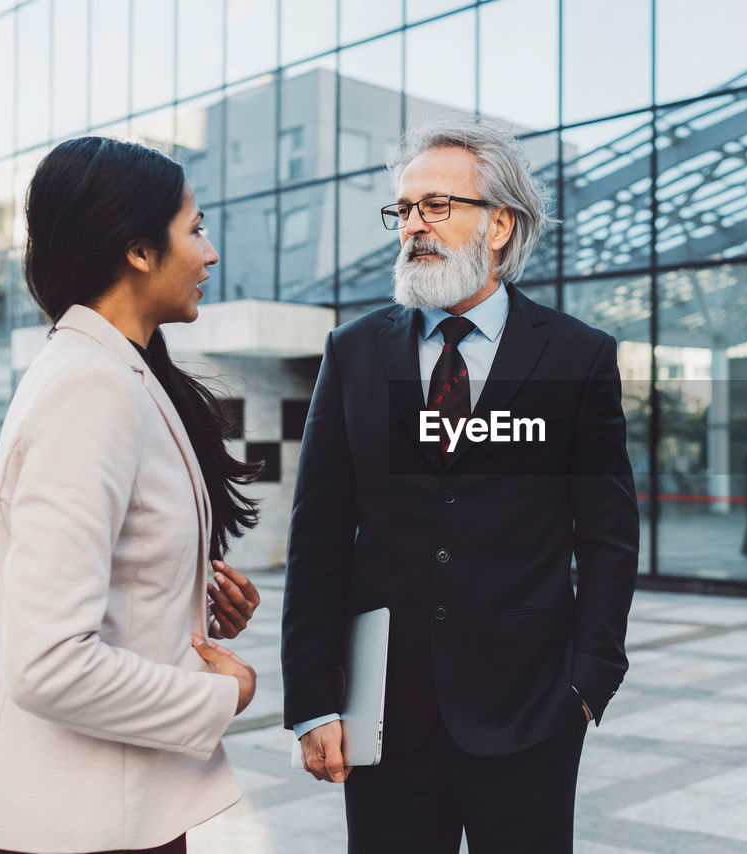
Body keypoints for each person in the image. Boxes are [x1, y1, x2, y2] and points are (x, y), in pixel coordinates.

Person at [282, 118, 640, 853]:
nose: (414, 225)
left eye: (436, 206)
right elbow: (317, 535)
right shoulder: (352, 353)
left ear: (500, 225)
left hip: (532, 713)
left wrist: (589, 681)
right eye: (405, 210)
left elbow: (606, 532)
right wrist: (313, 702)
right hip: (382, 712)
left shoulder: (578, 356)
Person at [0, 137, 264, 854]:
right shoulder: (89, 388)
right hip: (73, 821)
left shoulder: (118, 373)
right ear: (139, 251)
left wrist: (187, 595)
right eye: (196, 228)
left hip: (106, 809)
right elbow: (49, 661)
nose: (210, 254)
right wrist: (226, 694)